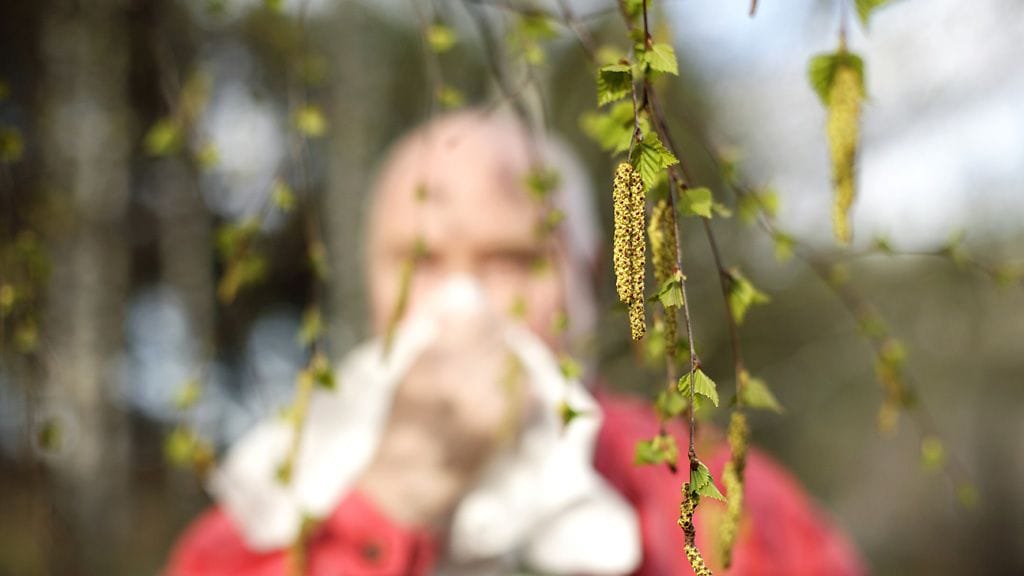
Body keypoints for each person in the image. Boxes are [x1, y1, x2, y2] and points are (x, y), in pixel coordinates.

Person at [167, 110, 864, 575]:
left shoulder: (717, 497)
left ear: (592, 277)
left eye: (511, 261)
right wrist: (386, 506)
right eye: (420, 263)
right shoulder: (275, 505)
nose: (463, 304)